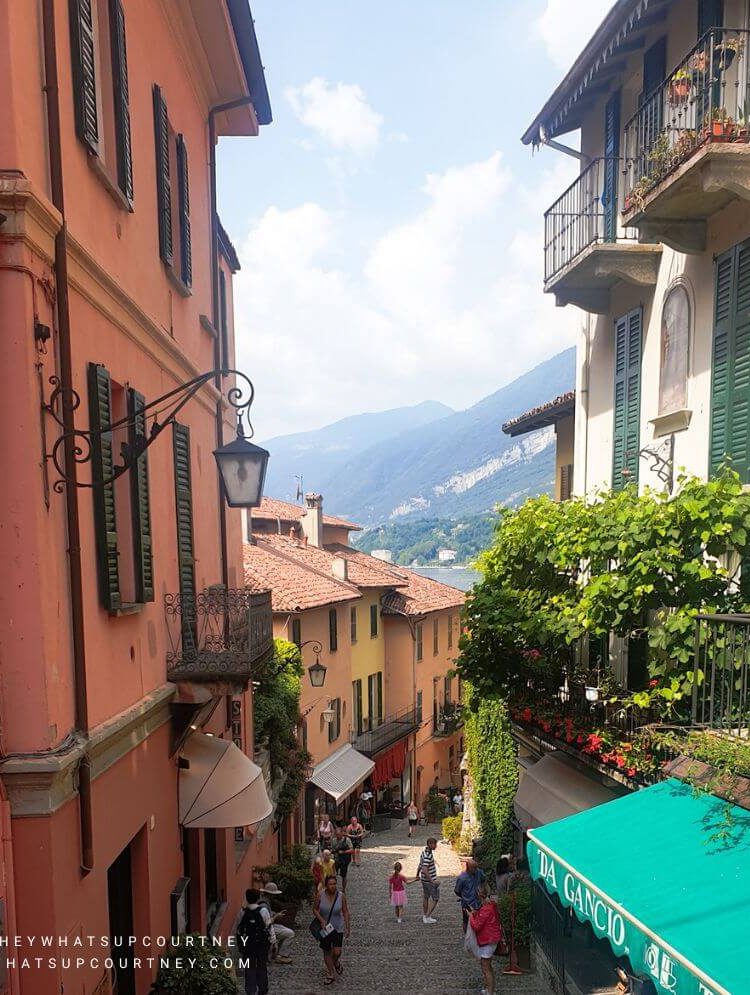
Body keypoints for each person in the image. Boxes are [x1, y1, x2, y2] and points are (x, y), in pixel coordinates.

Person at [313, 874, 350, 986]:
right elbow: (314, 909)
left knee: (337, 952)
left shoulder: (341, 896)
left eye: (334, 884)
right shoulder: (320, 895)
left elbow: (345, 911)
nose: (333, 886)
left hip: (337, 927)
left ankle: (336, 962)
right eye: (330, 884)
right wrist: (321, 920)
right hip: (325, 928)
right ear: (326, 885)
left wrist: (347, 926)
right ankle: (331, 973)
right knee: (327, 951)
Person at [236, 888, 274, 995]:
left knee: (249, 969)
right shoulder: (263, 911)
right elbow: (269, 927)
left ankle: (250, 990)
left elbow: (239, 930)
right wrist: (273, 942)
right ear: (258, 899)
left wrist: (240, 946)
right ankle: (262, 989)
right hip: (261, 945)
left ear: (247, 898)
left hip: (248, 946)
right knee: (262, 967)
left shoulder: (242, 912)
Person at [469, 888, 503, 995]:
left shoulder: (486, 909)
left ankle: (490, 992)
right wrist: (475, 914)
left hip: (488, 940)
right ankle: (488, 989)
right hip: (492, 938)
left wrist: (470, 917)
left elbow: (476, 926)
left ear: (480, 895)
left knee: (486, 967)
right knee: (487, 966)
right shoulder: (491, 906)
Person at [259, 882, 294, 964]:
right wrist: (276, 917)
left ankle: (278, 953)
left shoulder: (264, 901)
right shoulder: (263, 905)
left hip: (268, 926)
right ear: (270, 894)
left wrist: (275, 914)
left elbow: (268, 914)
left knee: (285, 931)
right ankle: (281, 956)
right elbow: (265, 922)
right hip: (266, 928)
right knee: (290, 933)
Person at [454, 858, 486, 933]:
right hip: (467, 903)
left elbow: (484, 880)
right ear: (468, 868)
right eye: (474, 868)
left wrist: (482, 891)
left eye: (476, 867)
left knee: (480, 920)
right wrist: (464, 897)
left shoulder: (479, 872)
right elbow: (457, 891)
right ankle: (467, 935)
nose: (475, 870)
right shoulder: (462, 878)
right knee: (466, 920)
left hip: (479, 901)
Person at [414, 836, 439, 924]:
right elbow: (424, 869)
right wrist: (433, 881)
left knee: (426, 897)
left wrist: (417, 875)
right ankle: (427, 916)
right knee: (435, 898)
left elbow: (420, 864)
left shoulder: (424, 852)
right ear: (430, 844)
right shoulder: (428, 855)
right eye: (435, 844)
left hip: (424, 880)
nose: (436, 846)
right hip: (429, 881)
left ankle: (425, 916)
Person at [332, 826, 354, 892]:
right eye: (336, 834)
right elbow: (333, 849)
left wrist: (343, 852)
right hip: (336, 859)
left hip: (344, 860)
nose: (337, 836)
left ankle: (343, 889)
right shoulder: (334, 840)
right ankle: (333, 887)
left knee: (343, 875)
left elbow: (351, 850)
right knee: (333, 874)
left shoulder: (347, 840)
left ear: (342, 833)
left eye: (338, 834)